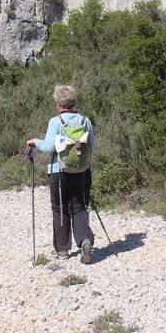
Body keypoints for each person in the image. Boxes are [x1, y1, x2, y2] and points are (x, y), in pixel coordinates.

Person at [26, 84, 97, 264]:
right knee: (80, 206)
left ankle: (62, 251)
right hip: (82, 170)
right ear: (73, 102)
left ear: (58, 104)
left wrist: (35, 142)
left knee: (60, 209)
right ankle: (85, 241)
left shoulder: (55, 122)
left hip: (59, 172)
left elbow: (49, 146)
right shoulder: (85, 121)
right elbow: (92, 146)